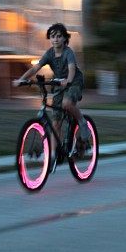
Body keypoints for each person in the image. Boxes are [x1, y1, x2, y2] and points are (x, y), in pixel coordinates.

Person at [13, 23, 91, 160]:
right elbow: (35, 68)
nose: (55, 39)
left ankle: (82, 122)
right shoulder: (49, 53)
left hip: (74, 82)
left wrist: (68, 80)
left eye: (59, 36)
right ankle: (55, 153)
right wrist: (21, 79)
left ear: (64, 38)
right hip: (59, 83)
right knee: (56, 122)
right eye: (53, 36)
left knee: (66, 103)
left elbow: (72, 69)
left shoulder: (68, 52)